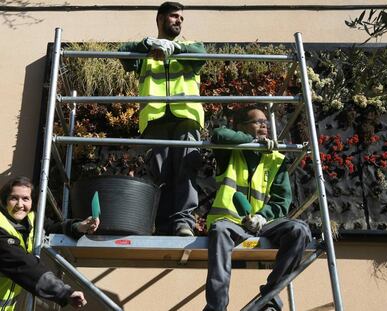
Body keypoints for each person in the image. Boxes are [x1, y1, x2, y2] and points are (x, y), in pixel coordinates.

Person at [204, 106, 312, 311]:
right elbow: (219, 134)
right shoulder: (230, 152)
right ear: (241, 127)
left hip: (264, 224)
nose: (264, 125)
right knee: (219, 231)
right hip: (232, 222)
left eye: (265, 122)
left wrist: (263, 216)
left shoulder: (275, 157)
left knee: (299, 230)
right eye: (257, 122)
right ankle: (216, 307)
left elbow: (282, 201)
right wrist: (252, 142)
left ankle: (269, 299)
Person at [119, 1, 206, 236]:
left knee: (186, 168)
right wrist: (147, 44)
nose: (179, 21)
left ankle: (183, 223)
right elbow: (123, 55)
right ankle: (162, 224)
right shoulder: (146, 51)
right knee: (159, 172)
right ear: (159, 19)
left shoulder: (190, 47)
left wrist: (174, 49)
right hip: (156, 118)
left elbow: (202, 54)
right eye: (174, 16)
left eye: (181, 18)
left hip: (186, 117)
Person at [0, 176, 100, 310]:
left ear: (32, 202)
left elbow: (54, 228)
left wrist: (79, 226)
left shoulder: (31, 219)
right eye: (13, 198)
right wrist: (63, 292)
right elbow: (23, 265)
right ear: (5, 201)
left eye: (25, 199)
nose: (20, 205)